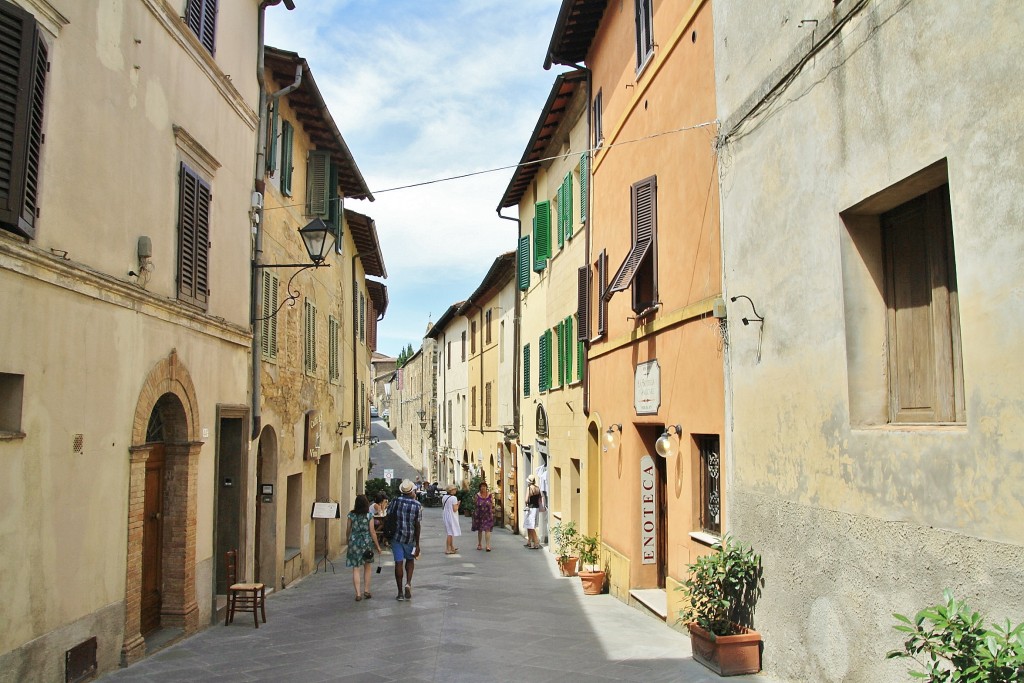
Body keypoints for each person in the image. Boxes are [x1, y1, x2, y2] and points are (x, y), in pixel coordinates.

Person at [388, 479, 422, 601]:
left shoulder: (395, 501)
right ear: (411, 491)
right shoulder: (417, 505)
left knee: (398, 563)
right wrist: (417, 544)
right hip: (410, 538)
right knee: (410, 561)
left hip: (396, 537)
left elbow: (389, 515)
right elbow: (417, 525)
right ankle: (408, 583)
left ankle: (400, 593)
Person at [345, 494, 381, 601]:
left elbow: (348, 529)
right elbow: (372, 532)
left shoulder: (351, 515)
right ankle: (366, 590)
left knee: (356, 568)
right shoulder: (369, 515)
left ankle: (358, 593)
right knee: (367, 567)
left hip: (354, 543)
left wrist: (348, 539)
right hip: (366, 543)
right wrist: (377, 546)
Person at [472, 481, 494, 551]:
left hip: (488, 515)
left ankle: (487, 545)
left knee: (487, 530)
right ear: (480, 488)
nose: (483, 488)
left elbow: (492, 504)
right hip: (479, 515)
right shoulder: (477, 495)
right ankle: (479, 544)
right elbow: (475, 504)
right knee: (480, 530)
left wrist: (492, 512)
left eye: (484, 486)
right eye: (482, 487)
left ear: (486, 487)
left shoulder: (490, 495)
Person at [524, 474, 543, 549]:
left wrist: (526, 505)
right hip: (537, 508)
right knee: (530, 525)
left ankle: (536, 542)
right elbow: (540, 497)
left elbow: (526, 499)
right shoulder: (538, 488)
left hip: (531, 508)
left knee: (531, 526)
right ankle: (529, 541)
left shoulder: (529, 488)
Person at [441, 485, 461, 554]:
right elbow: (455, 509)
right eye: (454, 489)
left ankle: (452, 547)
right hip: (451, 516)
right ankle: (448, 549)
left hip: (445, 515)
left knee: (450, 532)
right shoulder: (453, 498)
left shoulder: (444, 497)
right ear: (451, 490)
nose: (455, 490)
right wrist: (458, 504)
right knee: (450, 533)